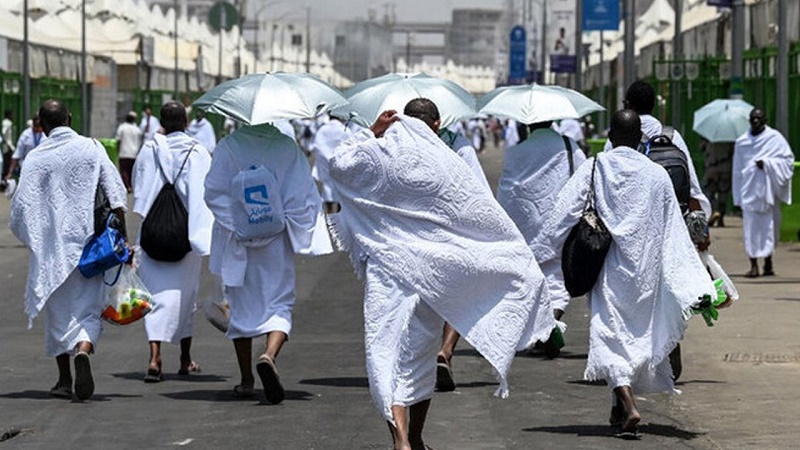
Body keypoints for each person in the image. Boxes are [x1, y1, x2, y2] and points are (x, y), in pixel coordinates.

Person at [328, 106, 555, 450]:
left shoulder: (380, 151)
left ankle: (400, 439)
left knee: (384, 350)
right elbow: (479, 209)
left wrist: (372, 131)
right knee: (420, 358)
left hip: (387, 270)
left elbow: (339, 164)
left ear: (399, 120)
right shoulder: (447, 162)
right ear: (437, 124)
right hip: (431, 275)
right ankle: (415, 438)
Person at [532, 109, 717, 435]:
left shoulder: (595, 167)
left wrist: (545, 250)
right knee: (635, 339)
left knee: (610, 335)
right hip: (646, 273)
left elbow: (561, 214)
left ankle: (629, 405)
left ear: (610, 137)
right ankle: (619, 411)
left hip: (609, 269)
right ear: (639, 140)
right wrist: (693, 280)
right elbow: (673, 229)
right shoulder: (657, 174)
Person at [10, 99, 129, 401]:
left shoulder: (35, 158)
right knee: (89, 309)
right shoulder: (92, 147)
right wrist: (124, 241)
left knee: (58, 315)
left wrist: (35, 239)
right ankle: (84, 349)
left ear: (42, 125)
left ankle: (64, 379)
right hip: (91, 248)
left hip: (52, 252)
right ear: (70, 118)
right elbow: (116, 194)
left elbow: (20, 210)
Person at [204, 122, 332, 402]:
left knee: (239, 307)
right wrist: (289, 224)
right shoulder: (286, 147)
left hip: (238, 241)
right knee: (279, 303)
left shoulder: (228, 146)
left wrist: (239, 223)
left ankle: (247, 379)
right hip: (276, 242)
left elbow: (213, 192)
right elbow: (303, 195)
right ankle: (269, 355)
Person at [402, 98, 492, 393]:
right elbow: (478, 189)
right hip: (452, 231)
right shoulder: (458, 143)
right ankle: (446, 351)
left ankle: (413, 362)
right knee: (459, 294)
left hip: (412, 233)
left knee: (416, 299)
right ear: (437, 122)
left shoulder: (396, 143)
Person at [132, 101, 214, 382]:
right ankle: (184, 358)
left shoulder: (148, 149)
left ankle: (154, 357)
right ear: (187, 122)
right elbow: (206, 193)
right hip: (185, 233)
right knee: (186, 295)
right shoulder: (198, 152)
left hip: (153, 232)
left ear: (161, 123)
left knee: (152, 297)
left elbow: (139, 188)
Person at [497, 119, 587, 357]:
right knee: (557, 277)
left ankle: (542, 329)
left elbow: (506, 190)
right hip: (560, 221)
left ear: (528, 125)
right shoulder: (569, 146)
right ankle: (552, 323)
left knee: (531, 278)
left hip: (526, 224)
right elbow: (583, 180)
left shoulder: (516, 151)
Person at [609, 80, 713, 231]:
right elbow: (691, 187)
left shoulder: (618, 136)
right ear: (653, 106)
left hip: (628, 224)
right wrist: (702, 230)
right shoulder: (672, 136)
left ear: (628, 105)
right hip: (669, 223)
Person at [732, 108, 795, 277]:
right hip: (749, 192)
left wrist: (768, 164)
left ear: (765, 120)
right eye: (753, 118)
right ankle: (753, 265)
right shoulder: (742, 142)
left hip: (769, 193)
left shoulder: (775, 139)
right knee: (750, 230)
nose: (755, 121)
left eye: (759, 118)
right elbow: (737, 170)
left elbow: (788, 161)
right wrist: (737, 196)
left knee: (770, 229)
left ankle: (768, 262)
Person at [311, 115, 348, 213]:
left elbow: (318, 147)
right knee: (342, 194)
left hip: (325, 166)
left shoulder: (322, 130)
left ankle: (329, 219)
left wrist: (325, 160)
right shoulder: (345, 130)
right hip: (341, 166)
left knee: (327, 192)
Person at [701, 138, 734, 227]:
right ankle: (721, 218)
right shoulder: (730, 138)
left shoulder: (708, 135)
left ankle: (715, 210)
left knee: (708, 191)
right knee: (723, 193)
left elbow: (701, 148)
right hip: (726, 169)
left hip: (712, 168)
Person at [4, 115, 47, 181]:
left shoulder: (46, 135)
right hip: (26, 168)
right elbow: (17, 154)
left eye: (40, 126)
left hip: (41, 169)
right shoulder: (26, 135)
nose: (38, 129)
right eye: (36, 126)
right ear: (33, 124)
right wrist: (10, 173)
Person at [115, 111, 143, 192]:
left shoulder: (122, 128)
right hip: (134, 153)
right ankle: (130, 185)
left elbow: (118, 140)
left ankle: (127, 186)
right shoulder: (137, 130)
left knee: (124, 171)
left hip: (124, 153)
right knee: (131, 171)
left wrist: (118, 150)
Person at [2, 109, 14, 175]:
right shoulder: (7, 123)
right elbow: (4, 132)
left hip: (7, 144)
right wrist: (6, 142)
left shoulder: (6, 122)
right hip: (8, 145)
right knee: (7, 162)